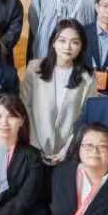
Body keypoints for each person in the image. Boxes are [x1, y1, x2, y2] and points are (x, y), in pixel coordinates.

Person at [26, 19, 93, 166]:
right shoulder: (34, 68)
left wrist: (68, 149)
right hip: (33, 148)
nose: (67, 47)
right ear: (53, 43)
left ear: (81, 46)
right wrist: (35, 145)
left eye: (75, 42)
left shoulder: (87, 78)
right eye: (62, 41)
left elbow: (86, 118)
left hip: (68, 153)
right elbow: (25, 107)